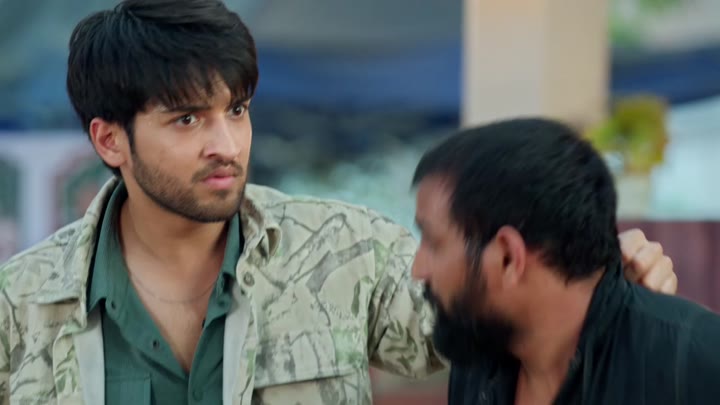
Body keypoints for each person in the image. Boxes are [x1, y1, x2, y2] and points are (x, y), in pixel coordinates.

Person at [0, 1, 677, 404]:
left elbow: (489, 325)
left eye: (236, 110)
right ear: (110, 139)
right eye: (186, 120)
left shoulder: (344, 251)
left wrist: (600, 284)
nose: (226, 145)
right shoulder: (21, 304)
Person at [411, 117, 719, 405]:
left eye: (434, 243)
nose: (417, 270)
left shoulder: (696, 365)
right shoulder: (477, 365)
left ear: (508, 257)